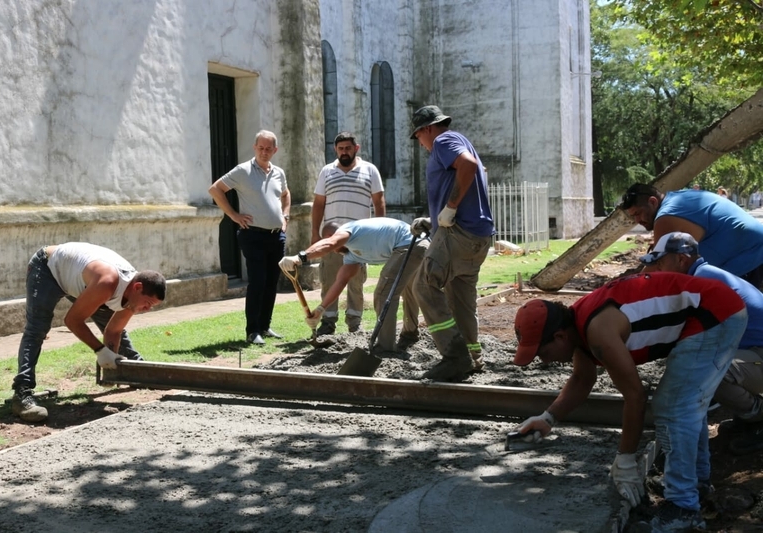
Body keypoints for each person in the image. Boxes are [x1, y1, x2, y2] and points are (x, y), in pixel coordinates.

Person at [512, 273, 747, 532]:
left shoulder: (598, 332)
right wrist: (547, 419)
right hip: (711, 310)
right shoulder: (576, 326)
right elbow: (581, 379)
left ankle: (683, 507)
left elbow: (635, 396)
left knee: (673, 406)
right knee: (685, 402)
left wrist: (625, 460)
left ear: (559, 337)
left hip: (714, 315)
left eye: (542, 353)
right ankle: (696, 484)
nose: (544, 361)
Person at [13, 242, 166, 422]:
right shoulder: (107, 283)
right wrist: (101, 351)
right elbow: (72, 321)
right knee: (37, 328)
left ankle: (137, 371)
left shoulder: (132, 295)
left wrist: (111, 362)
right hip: (48, 268)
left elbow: (114, 330)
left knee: (115, 327)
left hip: (79, 279)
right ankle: (22, 394)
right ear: (138, 287)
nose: (146, 309)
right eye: (147, 303)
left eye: (151, 307)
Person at [640, 232, 763, 455]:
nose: (657, 269)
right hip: (753, 353)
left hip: (759, 356)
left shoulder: (701, 281)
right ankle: (748, 416)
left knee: (710, 372)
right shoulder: (703, 273)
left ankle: (758, 418)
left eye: (660, 262)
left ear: (681, 259)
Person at [409, 105, 495, 381]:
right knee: (460, 299)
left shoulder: (443, 141)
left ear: (427, 129)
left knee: (423, 286)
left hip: (458, 233)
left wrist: (450, 207)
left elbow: (467, 167)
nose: (420, 144)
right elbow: (469, 171)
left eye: (418, 136)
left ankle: (454, 356)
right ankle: (472, 356)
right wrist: (434, 220)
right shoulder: (460, 141)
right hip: (478, 236)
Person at [279, 218, 428, 351]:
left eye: (330, 242)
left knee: (384, 292)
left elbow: (330, 243)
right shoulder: (351, 254)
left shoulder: (347, 231)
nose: (333, 251)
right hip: (415, 244)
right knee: (408, 290)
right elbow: (341, 281)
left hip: (411, 242)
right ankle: (409, 335)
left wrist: (299, 257)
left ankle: (385, 346)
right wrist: (320, 310)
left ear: (333, 236)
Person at [208, 130, 291, 345]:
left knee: (272, 282)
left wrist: (286, 215)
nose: (264, 152)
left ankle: (265, 325)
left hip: (277, 236)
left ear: (275, 150)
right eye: (261, 148)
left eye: (269, 149)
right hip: (252, 235)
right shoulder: (243, 171)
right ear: (255, 148)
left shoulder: (278, 173)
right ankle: (252, 331)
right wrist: (234, 215)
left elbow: (286, 194)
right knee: (258, 281)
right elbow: (216, 189)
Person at [620, 182, 763, 288]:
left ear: (652, 202)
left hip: (750, 256)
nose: (637, 221)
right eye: (633, 217)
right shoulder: (678, 197)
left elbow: (655, 271)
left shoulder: (666, 217)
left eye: (638, 213)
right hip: (753, 246)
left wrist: (623, 290)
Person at [311, 131, 385, 336]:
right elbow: (318, 205)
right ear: (335, 149)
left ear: (356, 148)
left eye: (348, 148)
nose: (344, 152)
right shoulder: (326, 171)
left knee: (356, 282)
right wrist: (315, 235)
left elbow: (379, 202)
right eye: (341, 148)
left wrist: (379, 232)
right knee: (329, 279)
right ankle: (328, 322)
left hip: (359, 239)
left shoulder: (370, 170)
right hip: (331, 239)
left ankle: (355, 324)